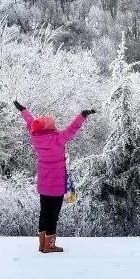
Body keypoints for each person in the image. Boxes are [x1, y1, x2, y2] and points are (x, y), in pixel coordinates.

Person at [13, 100, 97, 253]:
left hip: (43, 185)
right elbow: (73, 129)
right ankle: (49, 245)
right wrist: (83, 115)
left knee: (44, 212)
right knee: (53, 215)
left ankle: (41, 244)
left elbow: (30, 122)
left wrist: (23, 110)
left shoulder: (35, 137)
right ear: (50, 127)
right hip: (57, 185)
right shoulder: (58, 139)